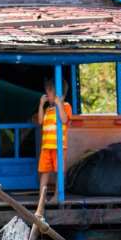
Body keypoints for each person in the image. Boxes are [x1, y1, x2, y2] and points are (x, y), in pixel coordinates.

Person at [36, 78, 72, 215]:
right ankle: (42, 198)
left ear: (58, 95)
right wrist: (41, 105)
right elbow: (40, 121)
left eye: (49, 93)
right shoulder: (48, 109)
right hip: (46, 147)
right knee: (44, 171)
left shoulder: (66, 106)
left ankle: (57, 195)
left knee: (59, 172)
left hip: (59, 147)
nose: (47, 95)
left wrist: (59, 104)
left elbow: (64, 119)